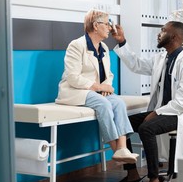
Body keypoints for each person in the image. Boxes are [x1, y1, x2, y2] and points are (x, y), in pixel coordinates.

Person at [110, 21, 183, 182]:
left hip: (180, 114)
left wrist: (157, 112)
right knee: (124, 122)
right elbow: (137, 65)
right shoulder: (162, 58)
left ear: (174, 37)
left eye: (163, 31)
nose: (159, 34)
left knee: (147, 128)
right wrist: (122, 42)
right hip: (164, 110)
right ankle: (133, 176)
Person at [55, 9, 139, 165]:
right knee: (104, 103)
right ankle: (116, 151)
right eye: (107, 24)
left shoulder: (104, 48)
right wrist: (98, 87)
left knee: (119, 103)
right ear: (95, 25)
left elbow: (109, 74)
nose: (110, 28)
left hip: (98, 91)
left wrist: (106, 85)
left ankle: (122, 148)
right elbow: (73, 77)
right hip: (76, 91)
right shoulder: (77, 45)